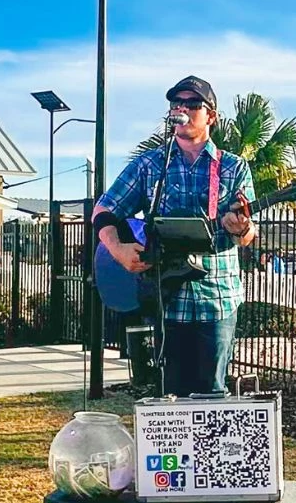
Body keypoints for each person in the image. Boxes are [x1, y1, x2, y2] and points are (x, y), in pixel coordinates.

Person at [94, 75, 256, 396]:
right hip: (166, 300)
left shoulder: (233, 168)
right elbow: (104, 210)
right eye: (176, 103)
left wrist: (244, 230)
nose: (182, 109)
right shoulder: (151, 165)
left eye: (193, 104)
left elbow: (247, 231)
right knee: (171, 398)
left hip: (217, 299)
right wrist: (118, 248)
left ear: (211, 116)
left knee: (211, 393)